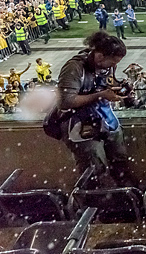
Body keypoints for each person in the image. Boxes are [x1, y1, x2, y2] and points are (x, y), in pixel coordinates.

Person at [55, 31, 138, 188]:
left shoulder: (106, 67)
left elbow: (106, 84)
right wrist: (100, 95)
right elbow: (66, 101)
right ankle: (97, 198)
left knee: (119, 160)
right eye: (112, 62)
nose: (114, 66)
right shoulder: (74, 68)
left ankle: (124, 192)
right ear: (100, 56)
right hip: (81, 125)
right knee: (95, 168)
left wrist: (120, 90)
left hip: (105, 118)